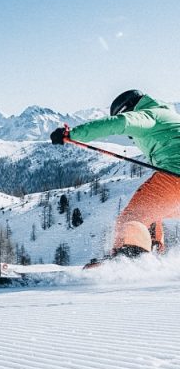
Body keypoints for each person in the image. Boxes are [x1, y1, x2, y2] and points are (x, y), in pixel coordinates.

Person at [50, 90, 180, 255]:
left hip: (175, 176)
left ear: (127, 108)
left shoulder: (147, 115)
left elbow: (117, 123)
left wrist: (72, 134)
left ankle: (128, 261)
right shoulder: (169, 116)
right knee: (152, 215)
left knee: (130, 219)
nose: (132, 137)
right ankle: (153, 256)